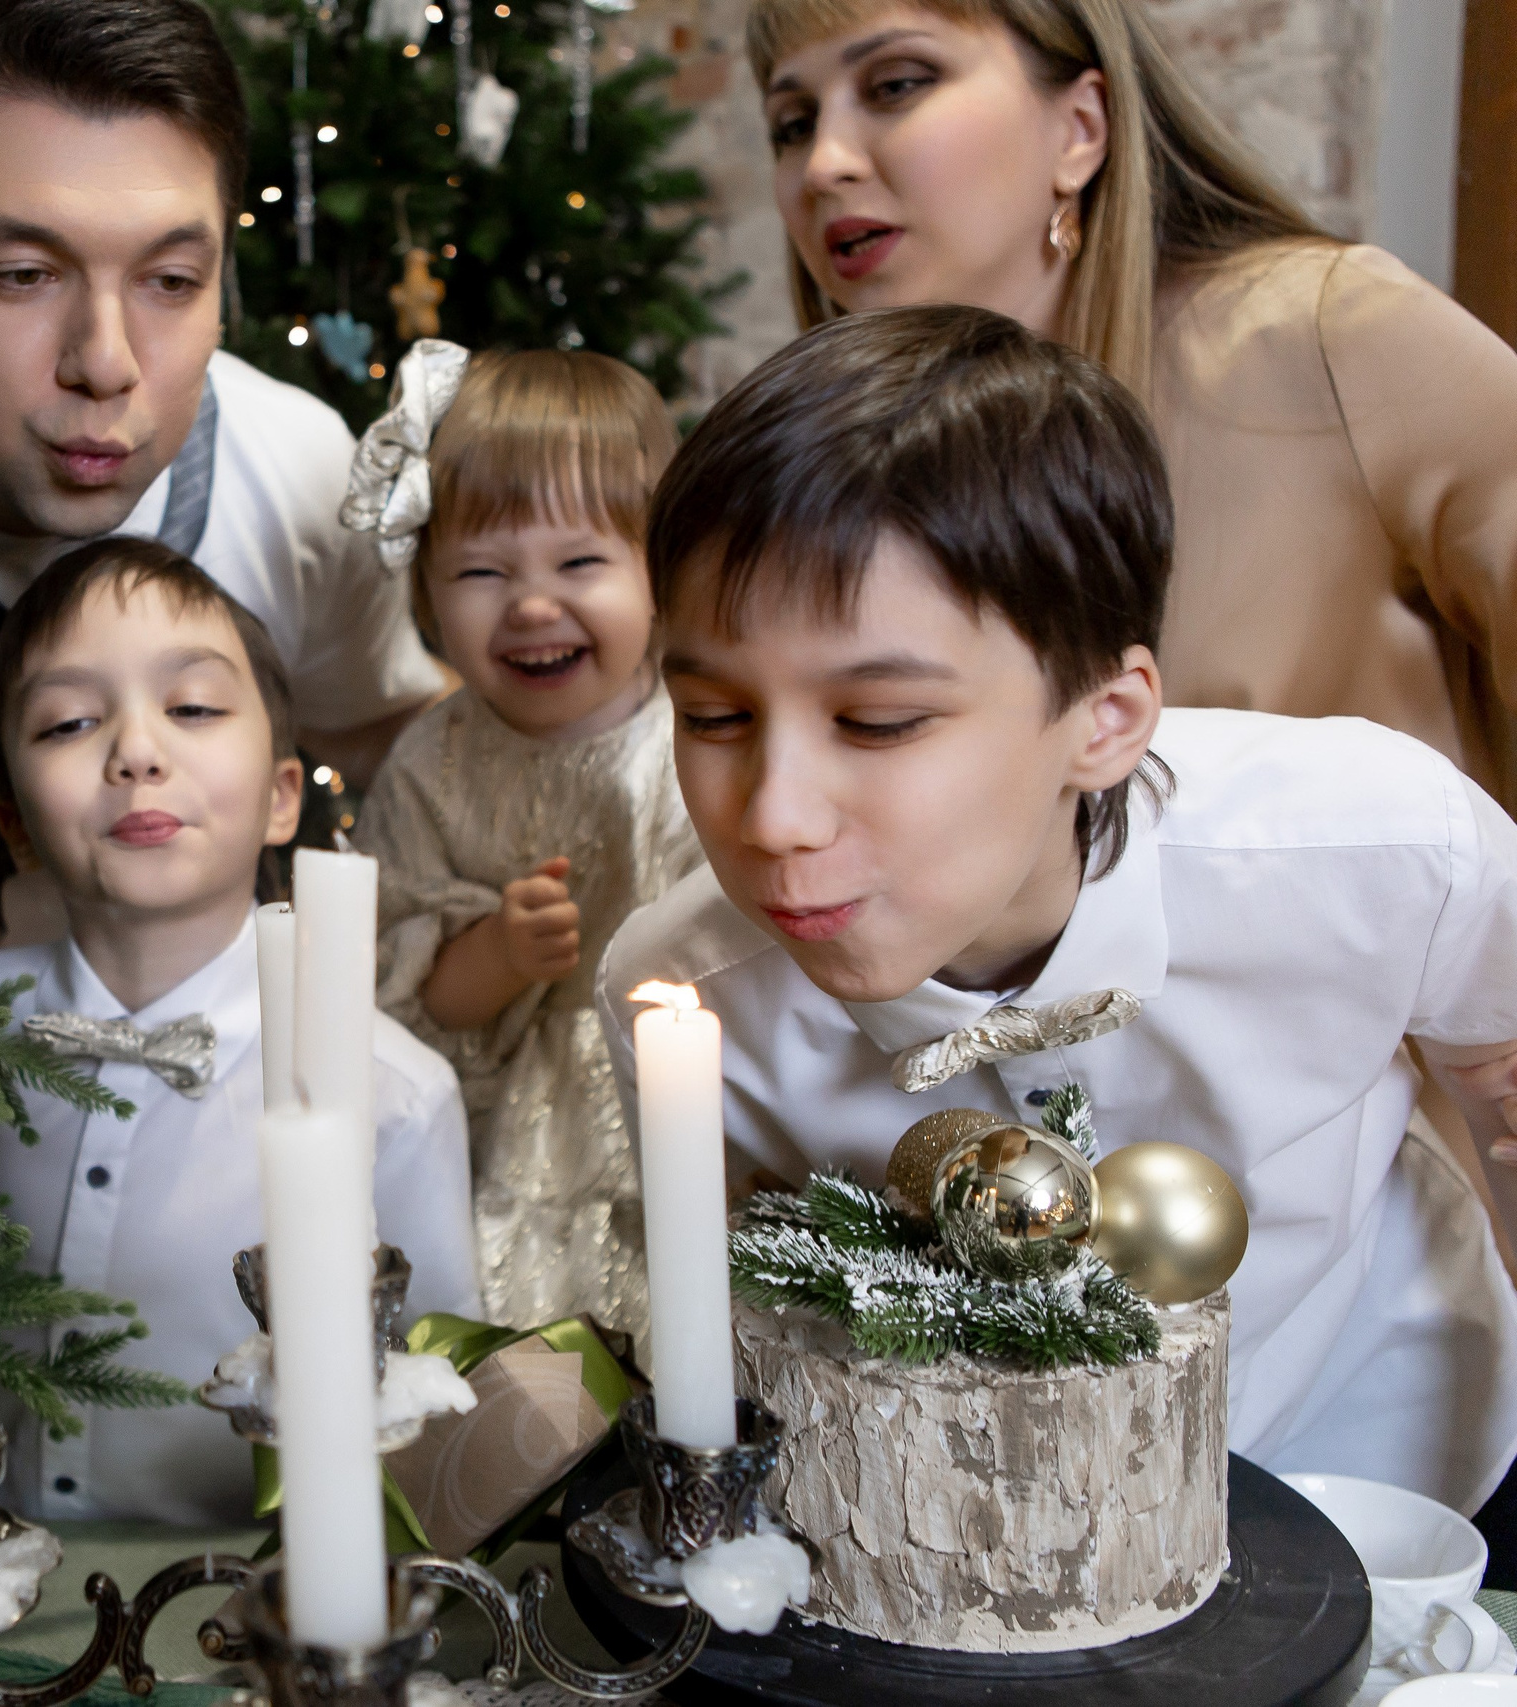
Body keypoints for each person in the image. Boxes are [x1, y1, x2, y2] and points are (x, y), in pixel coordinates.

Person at [595, 305, 1517, 1519]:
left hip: (1385, 1474)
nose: (773, 817)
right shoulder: (684, 1005)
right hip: (968, 1536)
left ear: (1105, 718)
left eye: (877, 722)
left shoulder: (1380, 851)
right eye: (714, 717)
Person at [0, 0, 444, 976]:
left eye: (170, 281)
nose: (105, 362)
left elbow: (405, 747)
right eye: (23, 275)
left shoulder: (299, 472)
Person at [744, 0, 1517, 815]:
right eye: (793, 125)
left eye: (897, 84)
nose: (823, 163)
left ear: (1080, 127)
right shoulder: (843, 474)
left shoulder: (1332, 335)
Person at [0, 537, 479, 1525]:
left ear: (280, 797)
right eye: (69, 721)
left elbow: (439, 1417)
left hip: (249, 1587)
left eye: (191, 707)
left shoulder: (394, 1094)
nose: (137, 752)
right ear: (14, 825)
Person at [346, 342, 704, 1338]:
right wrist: (497, 956)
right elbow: (392, 1012)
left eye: (580, 563)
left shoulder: (694, 738)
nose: (533, 605)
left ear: (658, 570)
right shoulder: (433, 766)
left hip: (668, 1132)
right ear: (427, 594)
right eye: (481, 571)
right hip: (485, 1142)